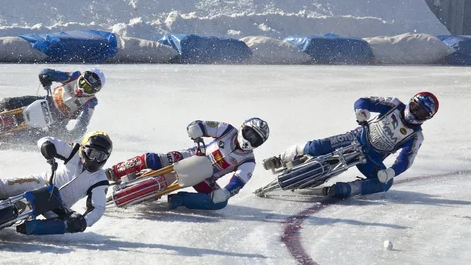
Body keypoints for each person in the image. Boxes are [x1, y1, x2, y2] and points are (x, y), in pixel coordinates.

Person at [263, 92, 439, 197]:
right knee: (316, 147)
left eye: (421, 114)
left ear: (427, 118)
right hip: (356, 137)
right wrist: (361, 111)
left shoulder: (416, 137)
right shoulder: (393, 104)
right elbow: (364, 100)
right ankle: (280, 158)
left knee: (385, 184)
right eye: (415, 107)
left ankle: (345, 190)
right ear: (410, 102)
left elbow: (406, 160)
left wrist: (391, 172)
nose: (414, 113)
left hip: (371, 158)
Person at [0, 131, 113, 234]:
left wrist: (83, 222)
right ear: (83, 149)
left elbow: (97, 208)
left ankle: (23, 226)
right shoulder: (73, 150)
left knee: (66, 224)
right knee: (3, 184)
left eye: (101, 156)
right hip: (42, 183)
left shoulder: (100, 180)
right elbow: (46, 140)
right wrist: (47, 147)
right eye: (92, 153)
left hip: (59, 206)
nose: (94, 160)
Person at [106, 118, 269, 210]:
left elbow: (238, 181)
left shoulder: (248, 161)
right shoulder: (227, 130)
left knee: (220, 202)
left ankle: (179, 199)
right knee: (154, 159)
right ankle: (115, 171)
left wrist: (226, 192)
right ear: (243, 128)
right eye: (249, 134)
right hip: (190, 156)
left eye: (256, 139)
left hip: (205, 178)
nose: (250, 140)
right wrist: (196, 129)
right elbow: (202, 125)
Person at [0, 68, 105, 140]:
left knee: (35, 137)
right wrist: (46, 77)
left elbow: (82, 125)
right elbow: (49, 72)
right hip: (45, 101)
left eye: (87, 88)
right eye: (82, 84)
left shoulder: (91, 103)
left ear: (94, 91)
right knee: (10, 102)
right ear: (80, 78)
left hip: (57, 120)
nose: (81, 89)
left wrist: (71, 135)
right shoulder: (73, 76)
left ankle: (6, 137)